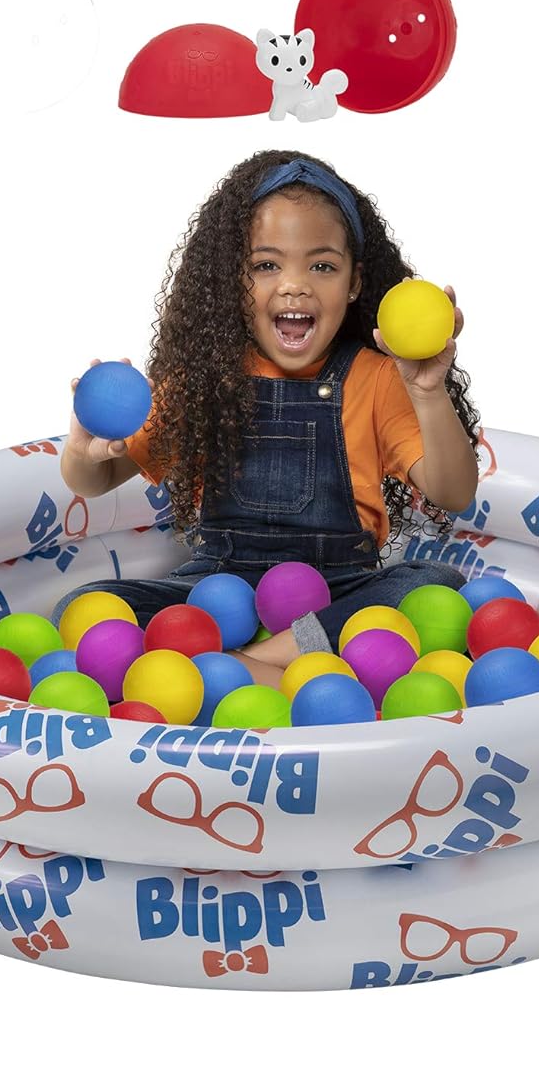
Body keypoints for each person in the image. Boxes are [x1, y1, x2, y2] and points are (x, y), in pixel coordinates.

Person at [55, 150, 481, 687]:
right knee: (83, 607)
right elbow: (94, 481)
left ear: (354, 283)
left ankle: (241, 664)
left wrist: (428, 390)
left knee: (434, 586)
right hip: (216, 591)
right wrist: (84, 451)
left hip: (336, 590)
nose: (294, 285)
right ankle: (288, 667)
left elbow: (453, 492)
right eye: (266, 265)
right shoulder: (205, 377)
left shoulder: (375, 377)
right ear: (233, 280)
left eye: (322, 266)